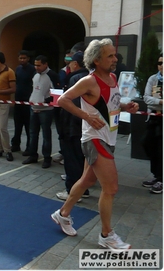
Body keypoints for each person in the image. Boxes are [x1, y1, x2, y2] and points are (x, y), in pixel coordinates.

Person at [51, 38, 139, 250]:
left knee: (86, 181)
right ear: (97, 60)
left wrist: (126, 106)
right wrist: (86, 117)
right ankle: (106, 234)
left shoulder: (112, 77)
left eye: (114, 54)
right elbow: (62, 100)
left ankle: (62, 214)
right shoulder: (89, 81)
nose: (115, 58)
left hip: (109, 139)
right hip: (94, 140)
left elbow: (111, 105)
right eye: (110, 55)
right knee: (111, 188)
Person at [55, 52, 90, 202]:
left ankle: (73, 192)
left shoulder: (76, 79)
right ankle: (84, 189)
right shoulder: (91, 77)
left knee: (72, 159)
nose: (68, 64)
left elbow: (72, 105)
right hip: (86, 126)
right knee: (82, 159)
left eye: (70, 62)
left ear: (75, 64)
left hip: (74, 125)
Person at [22, 55, 54, 168]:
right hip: (33, 108)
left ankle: (46, 158)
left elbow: (57, 93)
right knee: (32, 134)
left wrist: (46, 100)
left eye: (39, 65)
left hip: (46, 110)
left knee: (46, 135)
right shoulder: (35, 75)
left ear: (46, 64)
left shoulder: (52, 75)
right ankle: (32, 155)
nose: (36, 67)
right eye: (35, 65)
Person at [141, 54, 163, 194]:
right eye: (160, 62)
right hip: (153, 117)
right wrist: (160, 102)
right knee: (147, 143)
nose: (161, 65)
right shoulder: (153, 79)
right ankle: (157, 175)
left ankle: (161, 179)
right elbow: (146, 98)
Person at [11, 50, 35, 154]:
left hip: (28, 101)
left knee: (28, 125)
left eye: (24, 58)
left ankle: (29, 147)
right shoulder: (18, 69)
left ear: (28, 59)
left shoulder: (32, 69)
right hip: (18, 100)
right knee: (17, 124)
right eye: (20, 58)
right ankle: (15, 145)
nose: (22, 60)